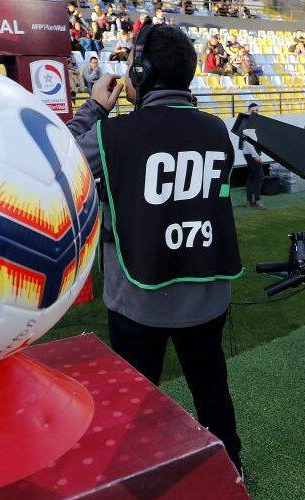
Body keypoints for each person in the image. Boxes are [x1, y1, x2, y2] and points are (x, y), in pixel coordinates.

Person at [66, 23, 245, 474]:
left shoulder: (113, 134)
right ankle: (231, 468)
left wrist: (93, 108)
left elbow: (56, 157)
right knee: (211, 388)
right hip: (207, 290)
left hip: (139, 299)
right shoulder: (216, 130)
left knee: (136, 394)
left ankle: (137, 473)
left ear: (141, 74)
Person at [240, 103, 266, 210]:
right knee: (260, 176)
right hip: (251, 154)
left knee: (251, 177)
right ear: (248, 110)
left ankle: (249, 201)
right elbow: (248, 142)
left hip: (249, 153)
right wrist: (256, 155)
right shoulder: (248, 122)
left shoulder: (250, 121)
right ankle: (257, 201)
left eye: (256, 111)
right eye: (253, 110)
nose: (255, 112)